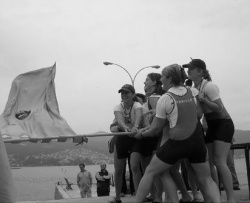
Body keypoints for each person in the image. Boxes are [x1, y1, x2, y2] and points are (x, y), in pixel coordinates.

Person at [132, 64, 220, 203]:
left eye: (162, 76)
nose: (160, 79)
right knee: (206, 179)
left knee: (150, 172)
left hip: (178, 142)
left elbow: (155, 129)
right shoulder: (192, 91)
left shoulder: (165, 98)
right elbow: (198, 113)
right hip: (197, 142)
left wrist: (141, 134)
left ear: (170, 79)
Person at [183, 58, 236, 203]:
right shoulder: (196, 86)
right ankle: (215, 197)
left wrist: (203, 100)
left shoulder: (209, 86)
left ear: (200, 71)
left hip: (223, 123)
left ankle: (231, 199)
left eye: (191, 69)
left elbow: (219, 107)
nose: (188, 72)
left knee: (220, 162)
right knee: (209, 164)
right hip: (212, 125)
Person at [108, 84, 143, 203]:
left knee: (134, 166)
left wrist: (135, 127)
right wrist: (125, 128)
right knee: (118, 169)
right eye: (122, 93)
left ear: (133, 94)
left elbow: (138, 116)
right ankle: (117, 197)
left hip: (135, 138)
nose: (124, 95)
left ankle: (138, 196)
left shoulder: (137, 105)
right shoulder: (118, 107)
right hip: (123, 137)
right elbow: (119, 120)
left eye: (127, 93)